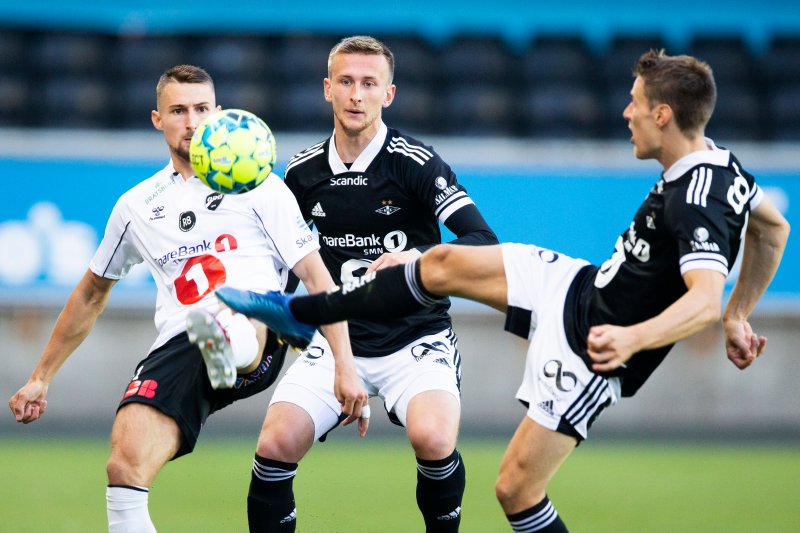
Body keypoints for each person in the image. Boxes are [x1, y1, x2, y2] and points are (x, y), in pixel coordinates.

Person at [216, 49, 790, 532]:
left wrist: (645, 334)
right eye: (345, 81)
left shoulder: (696, 197)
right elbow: (772, 227)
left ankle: (305, 311)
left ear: (663, 115)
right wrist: (743, 314)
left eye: (635, 103)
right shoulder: (724, 164)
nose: (625, 112)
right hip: (573, 284)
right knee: (440, 260)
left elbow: (702, 300)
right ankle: (300, 312)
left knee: (514, 489)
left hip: (591, 341)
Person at [8, 64, 366, 533]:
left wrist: (344, 363)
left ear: (218, 113)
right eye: (178, 110)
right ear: (158, 119)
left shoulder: (260, 183)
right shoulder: (137, 206)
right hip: (180, 344)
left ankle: (228, 342)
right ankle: (216, 341)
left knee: (236, 304)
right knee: (124, 470)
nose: (192, 121)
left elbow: (318, 278)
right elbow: (92, 293)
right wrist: (41, 377)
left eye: (201, 109)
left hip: (263, 330)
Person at [232, 36, 497, 532]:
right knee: (275, 443)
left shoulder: (416, 163)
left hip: (415, 337)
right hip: (338, 340)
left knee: (434, 440)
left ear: (388, 94)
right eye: (347, 82)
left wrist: (417, 258)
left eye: (369, 84)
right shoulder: (302, 172)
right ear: (328, 89)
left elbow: (483, 240)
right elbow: (284, 263)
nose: (357, 94)